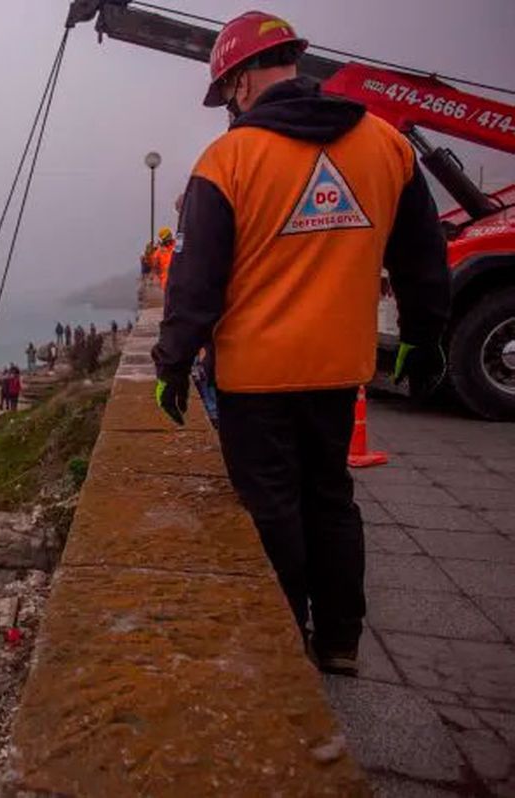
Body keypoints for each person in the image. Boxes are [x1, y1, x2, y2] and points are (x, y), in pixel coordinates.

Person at [151, 11, 450, 677]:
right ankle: (340, 641)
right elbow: (424, 260)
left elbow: (196, 283)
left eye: (229, 89)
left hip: (253, 378)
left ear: (244, 79)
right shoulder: (385, 145)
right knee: (330, 495)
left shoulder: (228, 160)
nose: (230, 103)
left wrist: (171, 365)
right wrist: (428, 341)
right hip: (338, 370)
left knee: (271, 508)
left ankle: (285, 645)